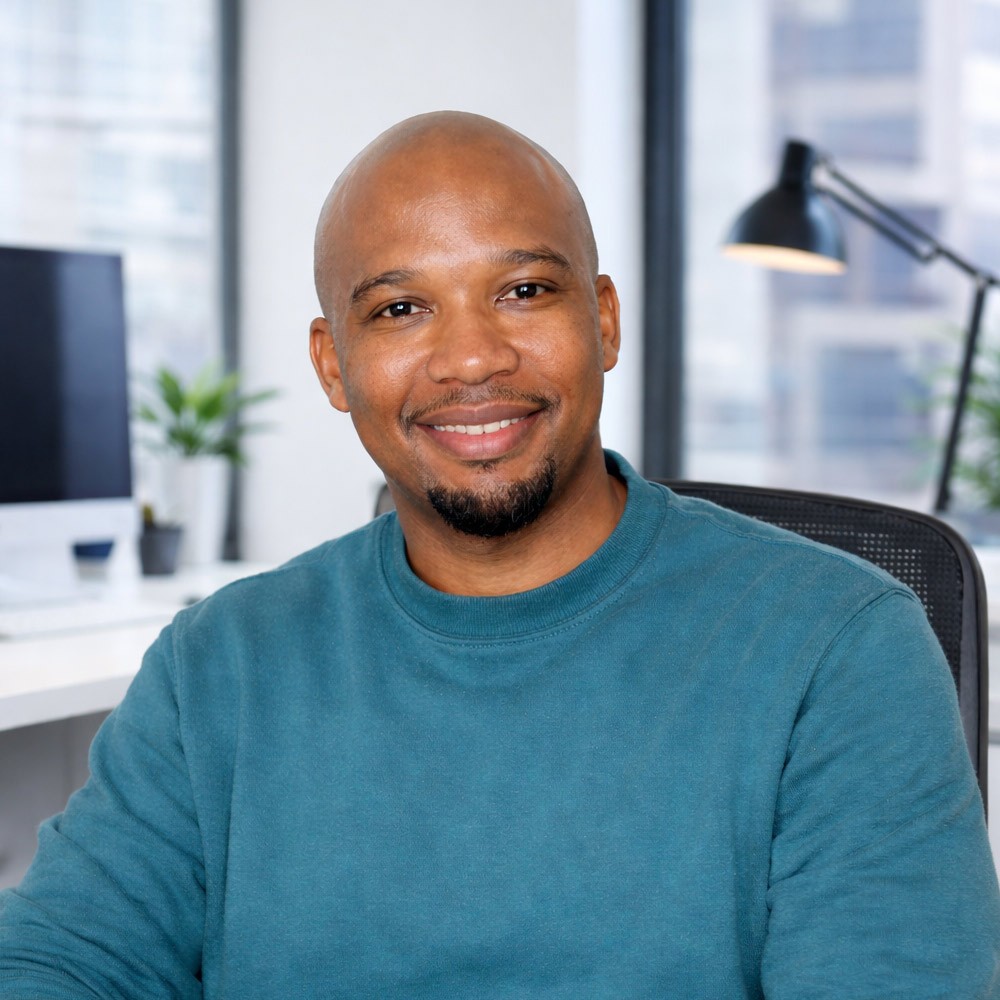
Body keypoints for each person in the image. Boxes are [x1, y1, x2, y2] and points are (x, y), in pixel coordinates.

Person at [1, 111, 998, 998]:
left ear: (601, 320)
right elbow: (61, 959)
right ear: (330, 365)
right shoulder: (219, 663)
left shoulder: (838, 646)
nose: (472, 358)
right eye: (399, 308)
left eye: (522, 289)